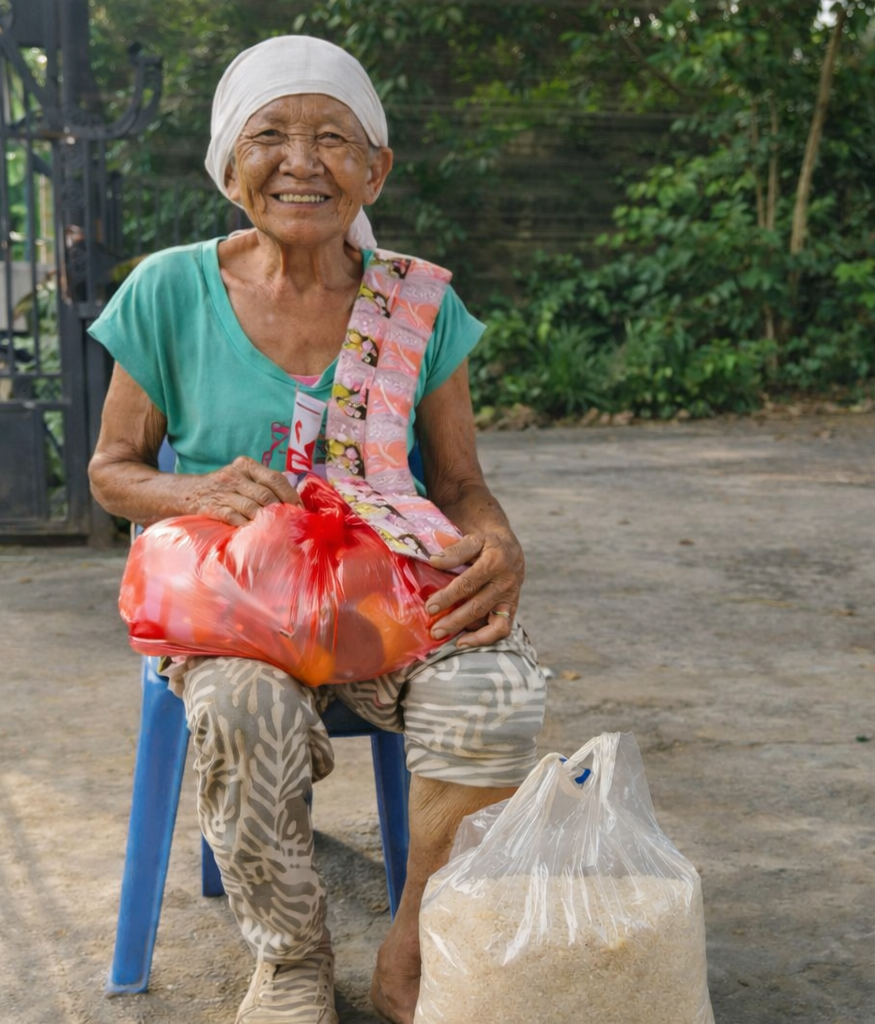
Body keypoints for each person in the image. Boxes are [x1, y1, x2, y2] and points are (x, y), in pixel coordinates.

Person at [87, 35, 546, 1024]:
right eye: (271, 138)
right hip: (237, 609)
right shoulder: (169, 290)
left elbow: (462, 481)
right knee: (244, 706)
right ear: (229, 166)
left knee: (496, 686)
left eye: (333, 138)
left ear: (374, 168)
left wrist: (499, 540)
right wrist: (196, 492)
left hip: (383, 605)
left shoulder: (417, 304)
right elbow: (111, 472)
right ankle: (290, 960)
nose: (301, 161)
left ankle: (416, 943)